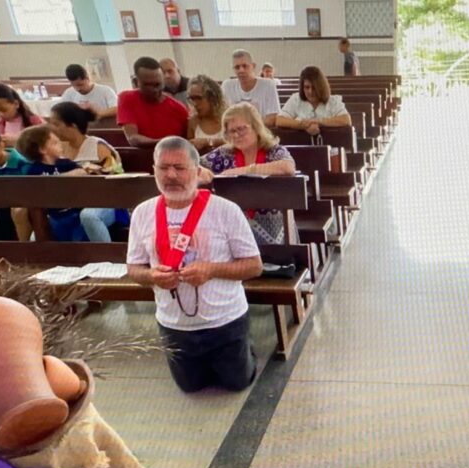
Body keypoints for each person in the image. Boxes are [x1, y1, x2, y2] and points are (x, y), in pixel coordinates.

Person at [126, 136, 263, 393]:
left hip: (225, 320)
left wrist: (210, 270)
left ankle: (245, 346)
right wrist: (153, 276)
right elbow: (133, 269)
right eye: (163, 168)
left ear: (198, 172)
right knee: (191, 387)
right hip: (174, 324)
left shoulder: (225, 210)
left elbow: (254, 266)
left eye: (180, 168)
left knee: (237, 383)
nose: (171, 175)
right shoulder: (143, 213)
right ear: (153, 170)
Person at [201, 103, 296, 245]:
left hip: (273, 229)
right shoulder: (224, 153)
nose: (236, 135)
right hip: (233, 225)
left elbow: (288, 167)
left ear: (256, 127)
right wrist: (205, 175)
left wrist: (241, 171)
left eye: (241, 129)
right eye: (231, 131)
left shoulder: (273, 150)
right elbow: (196, 167)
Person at [49, 102, 126, 242]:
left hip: (107, 202)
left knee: (89, 215)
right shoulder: (59, 149)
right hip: (71, 203)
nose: (52, 129)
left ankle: (108, 259)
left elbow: (116, 178)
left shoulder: (98, 146)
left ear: (72, 125)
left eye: (56, 124)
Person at [16, 125, 91, 241]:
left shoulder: (65, 164)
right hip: (54, 216)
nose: (60, 144)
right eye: (55, 143)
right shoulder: (34, 171)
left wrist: (60, 178)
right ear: (42, 150)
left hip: (75, 213)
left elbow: (82, 172)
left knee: (79, 238)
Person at [117, 57, 189, 148]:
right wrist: (165, 142)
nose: (154, 90)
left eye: (157, 84)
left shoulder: (179, 108)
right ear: (136, 82)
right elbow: (132, 138)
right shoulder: (127, 98)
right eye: (147, 85)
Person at [276, 66, 351, 135]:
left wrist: (319, 122)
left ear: (321, 87)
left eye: (314, 87)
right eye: (307, 87)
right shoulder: (295, 99)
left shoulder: (333, 101)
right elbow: (280, 120)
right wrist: (302, 125)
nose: (310, 91)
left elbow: (346, 120)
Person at [221, 50, 280, 127]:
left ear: (253, 66)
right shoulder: (227, 86)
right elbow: (221, 115)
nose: (241, 70)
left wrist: (246, 129)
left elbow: (272, 118)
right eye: (237, 67)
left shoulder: (268, 85)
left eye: (245, 66)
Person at [0, 82, 44, 147]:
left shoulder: (34, 121)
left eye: (3, 110)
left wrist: (18, 141)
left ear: (16, 104)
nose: (0, 114)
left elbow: (44, 144)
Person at [186, 75, 226, 153]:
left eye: (198, 98)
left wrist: (208, 142)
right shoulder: (193, 122)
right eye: (192, 99)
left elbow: (237, 143)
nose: (195, 103)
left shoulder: (228, 118)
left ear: (212, 98)